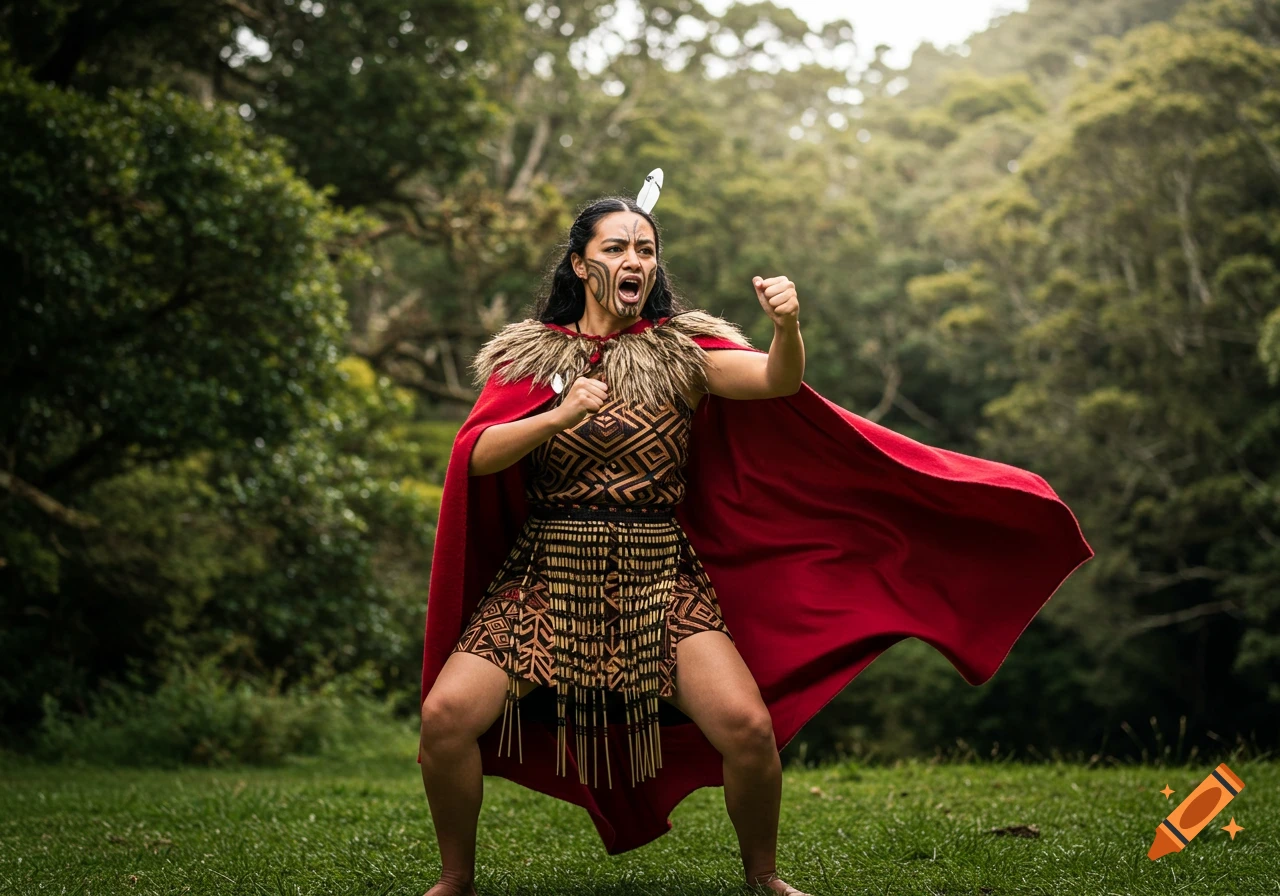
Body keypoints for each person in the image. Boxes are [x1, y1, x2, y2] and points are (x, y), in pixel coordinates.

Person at [417, 194, 1094, 896]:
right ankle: (455, 879)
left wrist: (787, 325)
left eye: (645, 250)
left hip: (659, 575)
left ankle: (764, 877)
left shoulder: (682, 352)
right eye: (617, 248)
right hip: (549, 574)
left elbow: (778, 381)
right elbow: (479, 455)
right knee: (445, 720)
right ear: (580, 264)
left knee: (745, 728)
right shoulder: (530, 356)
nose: (634, 261)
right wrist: (559, 416)